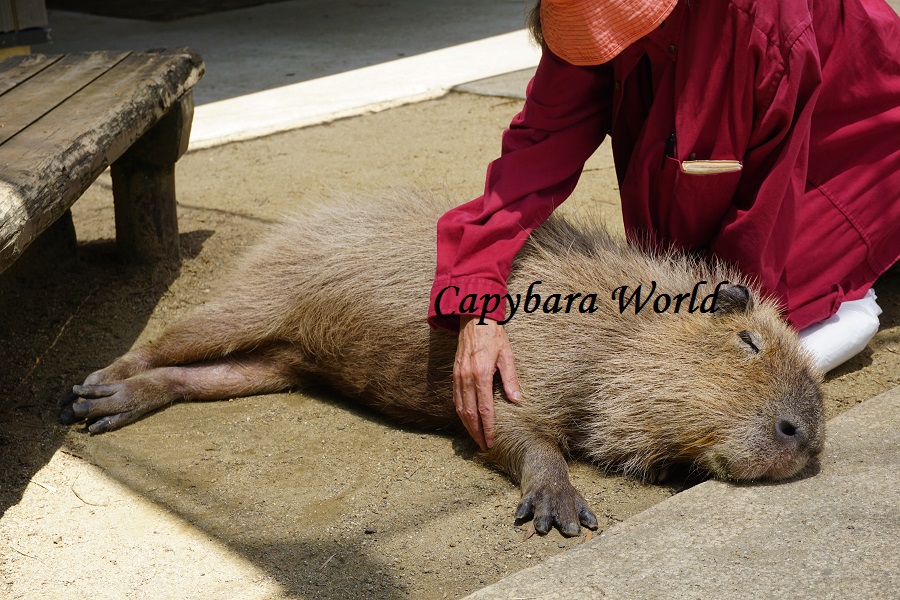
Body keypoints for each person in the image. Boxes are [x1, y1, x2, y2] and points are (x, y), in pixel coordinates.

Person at [428, 0, 900, 451]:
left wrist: (724, 331)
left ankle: (858, 300)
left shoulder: (759, 19)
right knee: (681, 285)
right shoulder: (583, 24)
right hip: (727, 157)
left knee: (795, 306)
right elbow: (529, 163)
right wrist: (478, 306)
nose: (601, 41)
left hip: (849, 143)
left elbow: (766, 207)